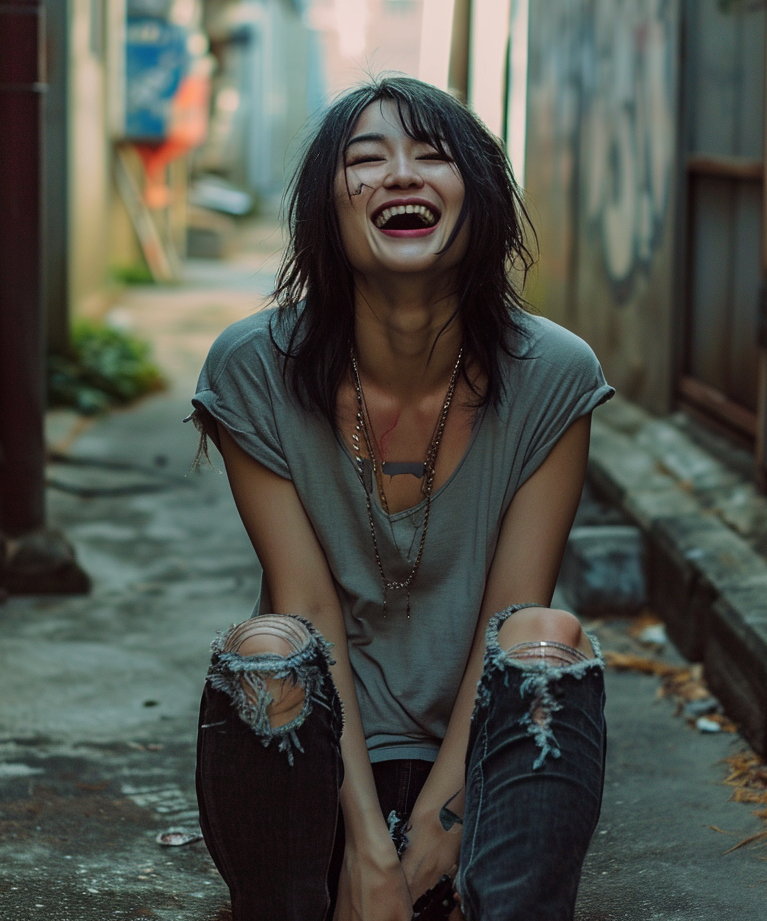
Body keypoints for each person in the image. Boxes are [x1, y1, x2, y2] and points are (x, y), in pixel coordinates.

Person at [189, 75, 613, 921]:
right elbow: (307, 607)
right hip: (321, 759)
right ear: (327, 209)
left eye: (431, 155)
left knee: (544, 638)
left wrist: (433, 833)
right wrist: (370, 858)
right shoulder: (252, 369)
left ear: (480, 196)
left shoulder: (554, 376)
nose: (402, 175)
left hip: (481, 758)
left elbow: (512, 613)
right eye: (366, 159)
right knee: (270, 644)